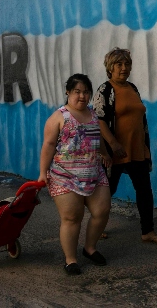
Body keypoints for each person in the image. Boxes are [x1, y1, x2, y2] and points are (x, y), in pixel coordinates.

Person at [94, 48, 157, 244]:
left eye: (127, 64)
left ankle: (148, 231)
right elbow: (99, 120)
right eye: (119, 64)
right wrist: (113, 143)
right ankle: (97, 226)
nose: (124, 68)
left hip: (137, 149)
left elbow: (140, 120)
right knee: (107, 190)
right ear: (110, 67)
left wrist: (145, 148)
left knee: (144, 191)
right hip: (115, 151)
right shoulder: (105, 90)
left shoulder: (133, 88)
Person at [39, 73, 112, 274]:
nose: (82, 96)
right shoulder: (59, 117)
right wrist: (42, 172)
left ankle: (90, 248)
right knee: (72, 218)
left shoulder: (93, 114)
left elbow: (98, 136)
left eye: (86, 92)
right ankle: (70, 260)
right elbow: (49, 145)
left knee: (102, 211)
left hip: (94, 172)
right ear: (68, 93)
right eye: (77, 92)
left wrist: (105, 153)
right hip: (65, 176)